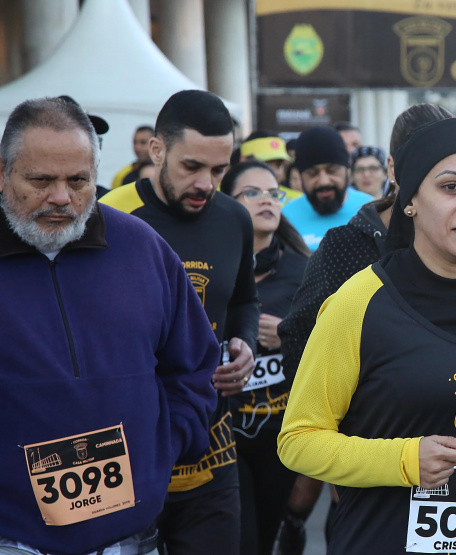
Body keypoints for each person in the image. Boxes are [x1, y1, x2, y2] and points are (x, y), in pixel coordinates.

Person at [274, 103, 456, 554]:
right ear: (410, 199)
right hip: (380, 538)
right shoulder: (357, 301)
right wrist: (403, 460)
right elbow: (298, 442)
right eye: (450, 187)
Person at [0, 97, 218, 553]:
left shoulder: (142, 249)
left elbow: (193, 366)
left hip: (129, 539)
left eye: (79, 180)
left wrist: (163, 448)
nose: (62, 197)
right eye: (41, 180)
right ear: (3, 174)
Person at [101, 90, 258, 555]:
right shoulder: (110, 216)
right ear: (156, 150)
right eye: (192, 167)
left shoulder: (234, 219)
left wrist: (245, 343)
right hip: (128, 448)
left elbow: (246, 300)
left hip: (214, 445)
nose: (207, 184)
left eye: (219, 170)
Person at [218, 160, 309, 555]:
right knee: (242, 540)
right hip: (222, 429)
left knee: (266, 535)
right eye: (252, 193)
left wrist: (288, 336)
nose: (267, 200)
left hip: (280, 429)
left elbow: (331, 346)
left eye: (274, 193)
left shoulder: (303, 268)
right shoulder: (213, 265)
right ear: (228, 203)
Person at [281, 126, 374, 250]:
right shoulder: (285, 219)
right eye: (313, 173)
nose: (324, 181)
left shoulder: (373, 211)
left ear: (347, 170)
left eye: (332, 171)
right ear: (301, 176)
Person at [238, 133, 301, 205]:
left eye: (279, 164)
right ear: (243, 160)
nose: (275, 171)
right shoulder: (225, 196)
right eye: (267, 164)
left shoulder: (297, 201)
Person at [110, 125, 154, 189]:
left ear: (154, 144)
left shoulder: (166, 172)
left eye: (143, 142)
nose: (137, 147)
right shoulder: (122, 174)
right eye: (135, 142)